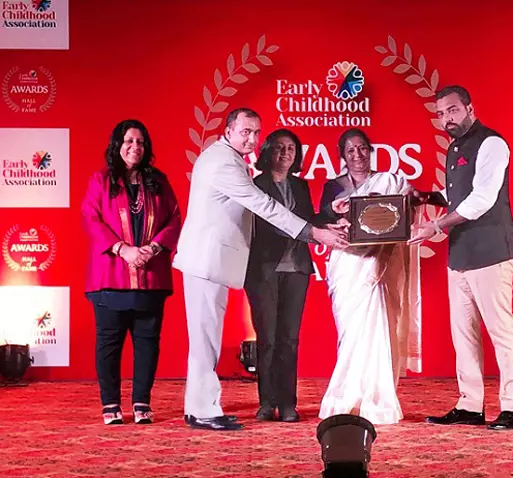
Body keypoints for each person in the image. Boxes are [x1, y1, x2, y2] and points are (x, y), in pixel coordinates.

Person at [172, 108, 349, 431]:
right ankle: (202, 411)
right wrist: (314, 233)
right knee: (204, 341)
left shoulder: (229, 158)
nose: (252, 139)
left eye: (256, 132)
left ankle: (200, 407)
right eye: (245, 132)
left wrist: (320, 222)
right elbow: (264, 206)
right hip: (205, 260)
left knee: (206, 340)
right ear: (228, 131)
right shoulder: (223, 162)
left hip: (211, 261)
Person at [409, 85, 513, 430]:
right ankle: (470, 405)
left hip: (491, 251)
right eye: (441, 114)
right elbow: (458, 195)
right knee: (464, 334)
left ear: (469, 109)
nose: (446, 119)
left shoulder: (492, 143)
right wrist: (427, 197)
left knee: (501, 331)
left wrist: (436, 225)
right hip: (460, 253)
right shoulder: (455, 148)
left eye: (452, 110)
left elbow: (482, 199)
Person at [318, 128, 422, 426]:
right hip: (349, 265)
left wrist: (412, 200)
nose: (358, 155)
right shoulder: (333, 186)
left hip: (381, 263)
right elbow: (322, 219)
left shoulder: (390, 182)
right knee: (352, 332)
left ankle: (376, 398)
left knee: (381, 327)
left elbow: (405, 213)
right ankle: (345, 395)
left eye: (362, 148)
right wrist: (335, 213)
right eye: (351, 150)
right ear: (343, 156)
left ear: (371, 150)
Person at [82, 119, 182, 425]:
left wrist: (152, 248)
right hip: (110, 276)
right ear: (117, 145)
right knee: (109, 344)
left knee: (147, 343)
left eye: (140, 142)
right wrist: (123, 249)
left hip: (150, 277)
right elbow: (91, 218)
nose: (135, 147)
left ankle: (141, 402)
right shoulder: (101, 180)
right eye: (128, 141)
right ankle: (110, 403)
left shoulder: (159, 181)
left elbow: (174, 218)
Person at [245, 128, 335, 423]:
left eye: (291, 149)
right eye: (279, 147)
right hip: (264, 269)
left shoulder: (300, 186)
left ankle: (287, 404)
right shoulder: (255, 184)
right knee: (267, 338)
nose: (285, 153)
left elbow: (309, 222)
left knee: (289, 339)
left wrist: (331, 212)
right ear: (268, 151)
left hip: (297, 268)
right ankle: (266, 403)